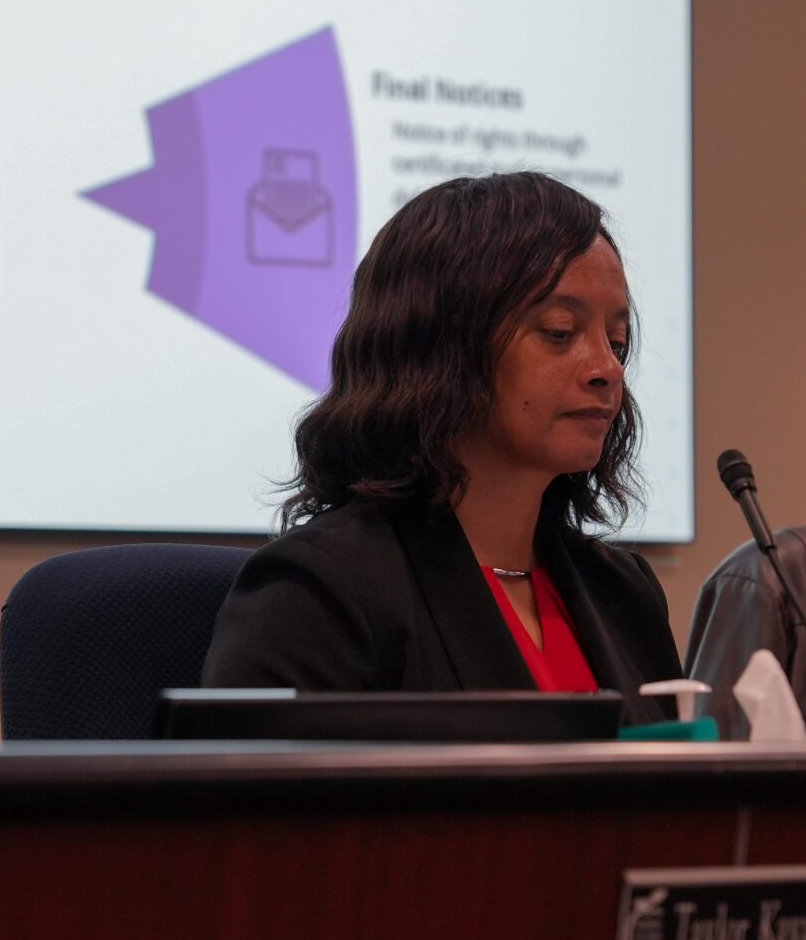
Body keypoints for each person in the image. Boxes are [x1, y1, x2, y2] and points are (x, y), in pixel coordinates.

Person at [202, 172, 684, 718]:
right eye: (558, 331)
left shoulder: (623, 591)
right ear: (440, 348)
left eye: (616, 342)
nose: (606, 369)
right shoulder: (319, 593)